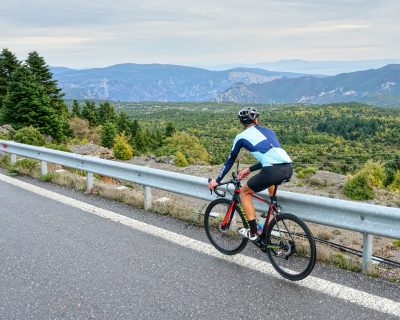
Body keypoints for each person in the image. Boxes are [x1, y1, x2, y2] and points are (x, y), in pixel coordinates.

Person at [208, 107, 293, 241]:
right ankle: (274, 203)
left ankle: (254, 232)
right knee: (269, 175)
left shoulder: (240, 137)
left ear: (242, 123)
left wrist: (217, 180)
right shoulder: (269, 131)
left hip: (272, 171)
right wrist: (250, 169)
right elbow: (272, 157)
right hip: (288, 168)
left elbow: (230, 160)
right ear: (256, 120)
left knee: (244, 193)